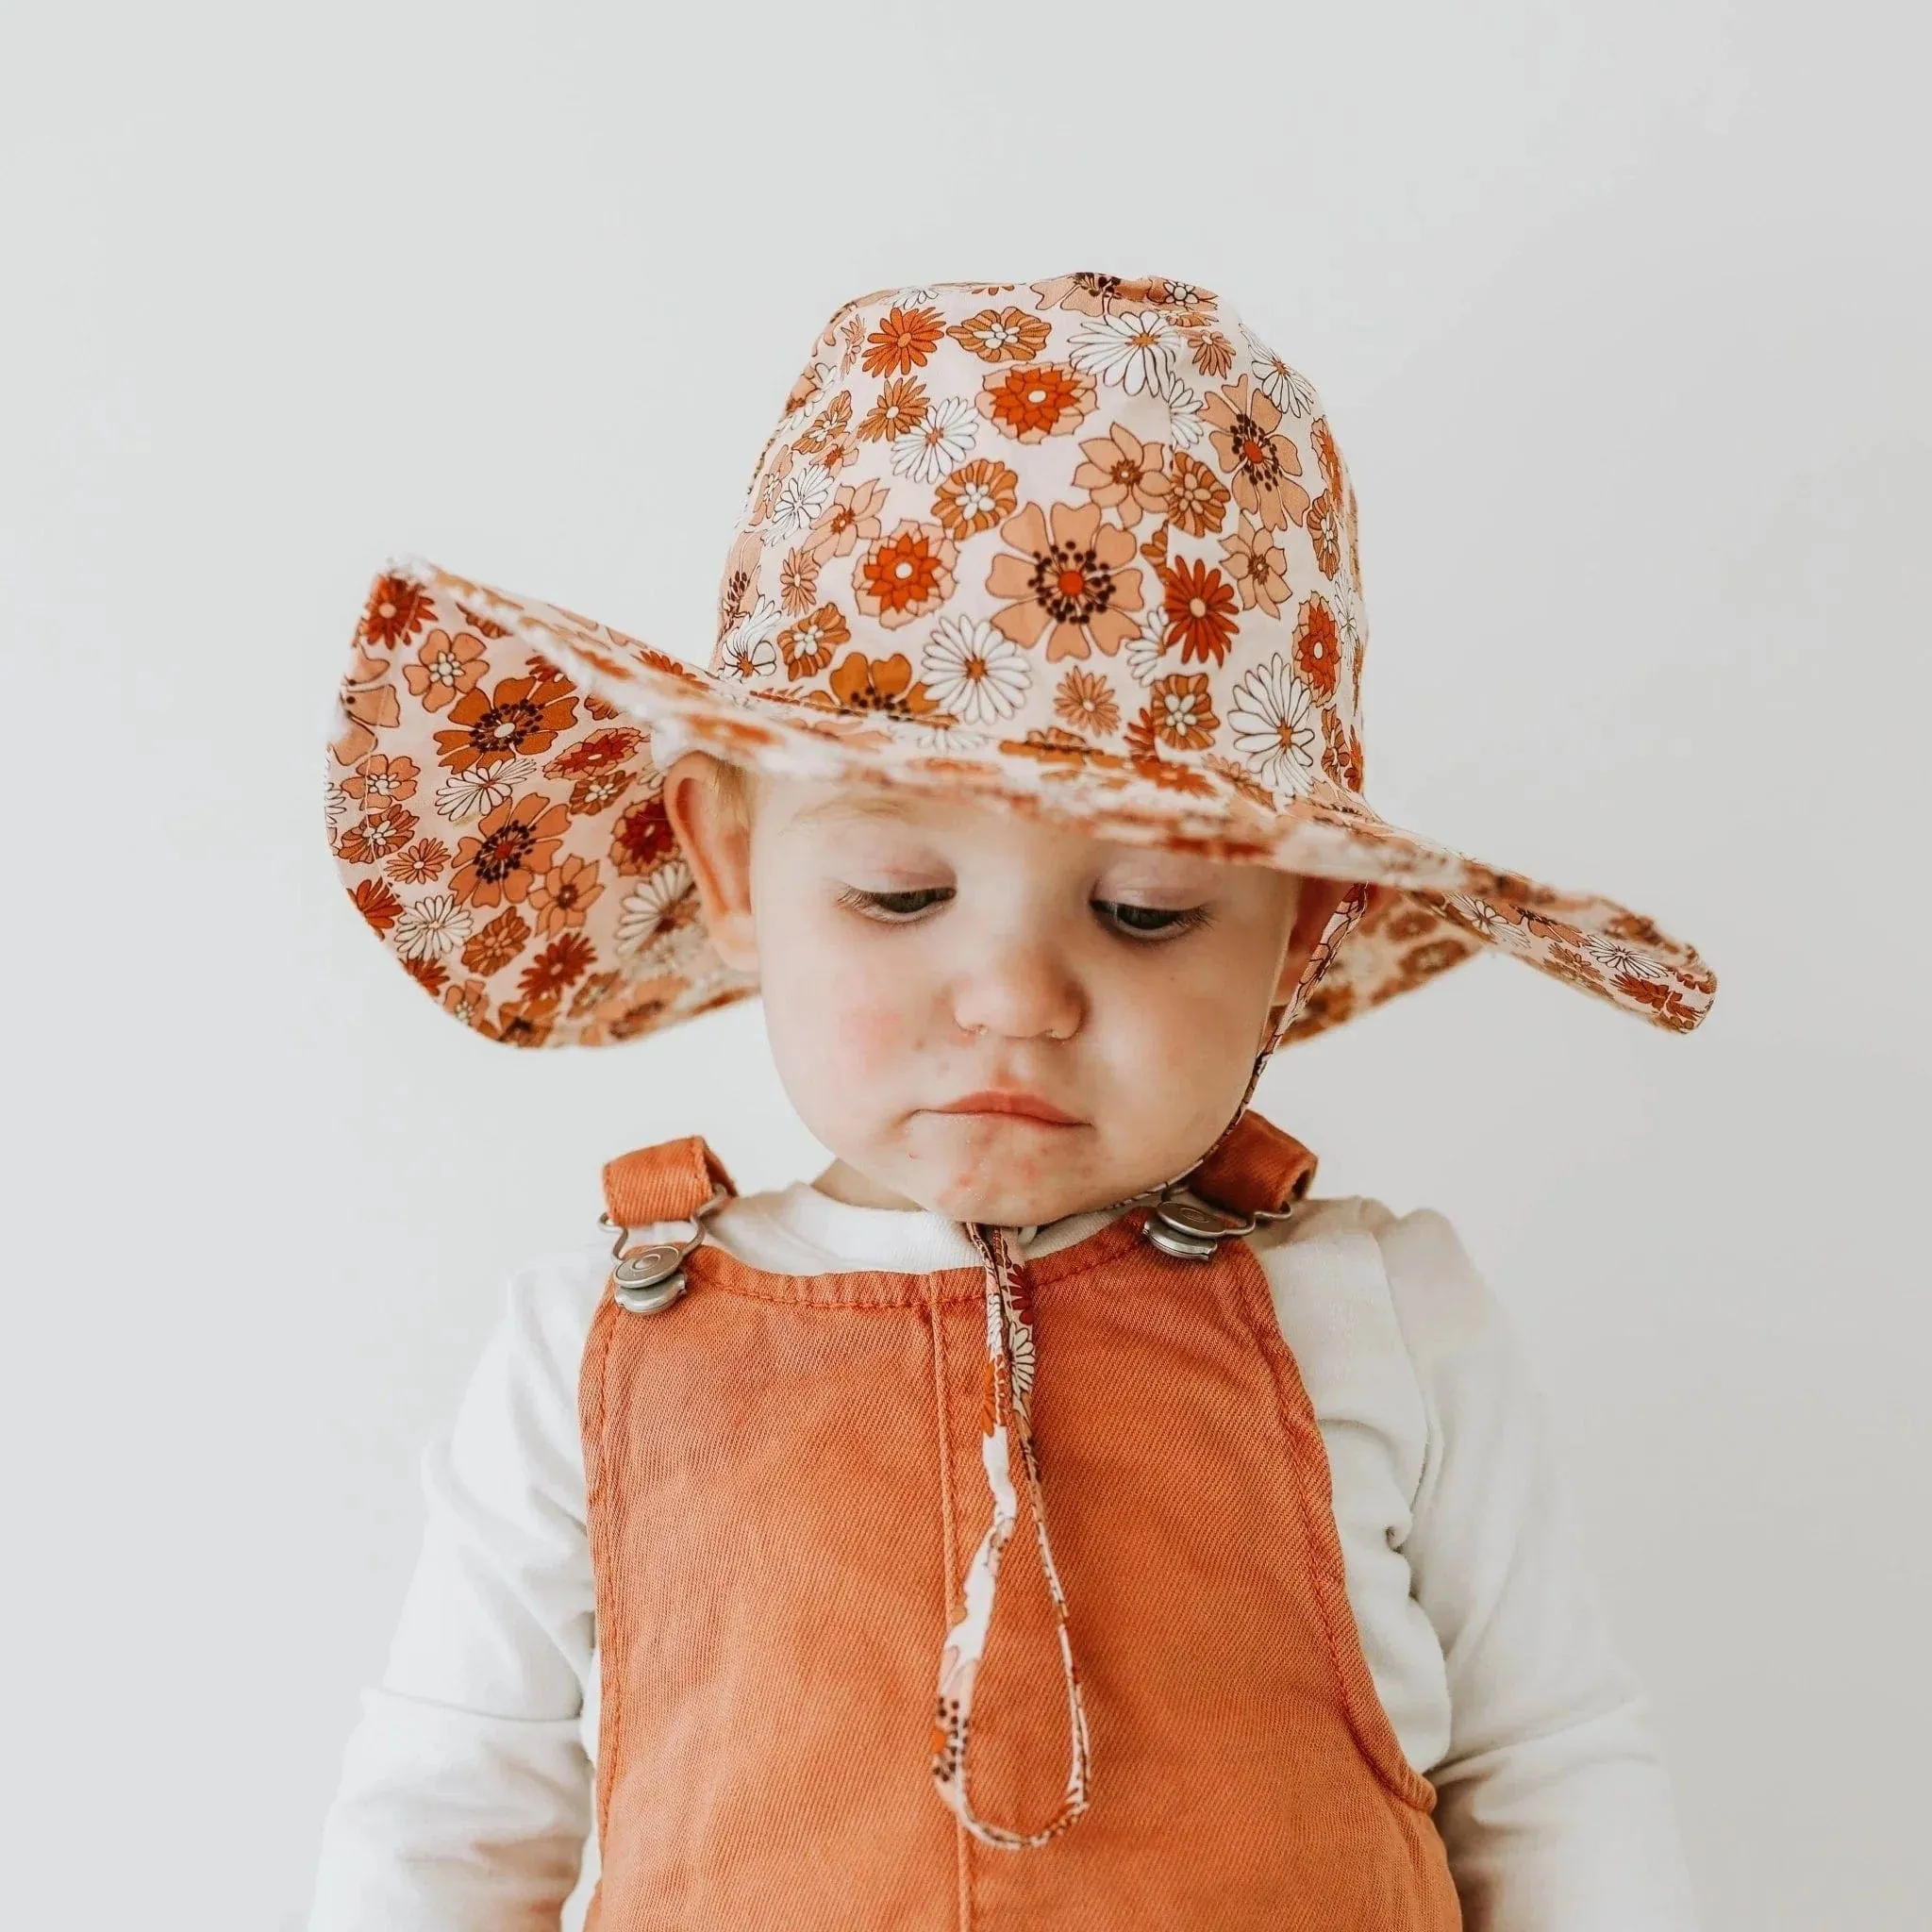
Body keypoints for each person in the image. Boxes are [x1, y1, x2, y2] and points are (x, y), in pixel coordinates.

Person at [313, 272, 1718, 1929]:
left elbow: (1551, 1773)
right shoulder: (592, 1347)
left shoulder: (1389, 1314)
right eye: (904, 897)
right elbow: (449, 1825)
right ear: (733, 862)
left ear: (1299, 934)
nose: (1018, 997)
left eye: (1142, 914)